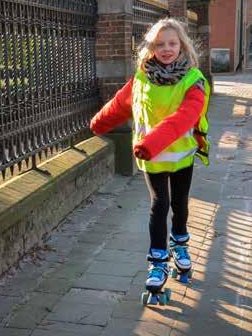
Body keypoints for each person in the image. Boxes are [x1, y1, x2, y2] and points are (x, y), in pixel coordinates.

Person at [89, 18, 210, 298]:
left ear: (182, 45)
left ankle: (179, 244)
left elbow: (184, 119)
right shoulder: (141, 78)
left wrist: (150, 143)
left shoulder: (195, 82)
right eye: (160, 44)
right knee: (159, 204)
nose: (166, 49)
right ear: (151, 47)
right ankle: (157, 263)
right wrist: (97, 124)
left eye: (172, 43)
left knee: (179, 204)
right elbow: (120, 105)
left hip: (179, 156)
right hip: (151, 158)